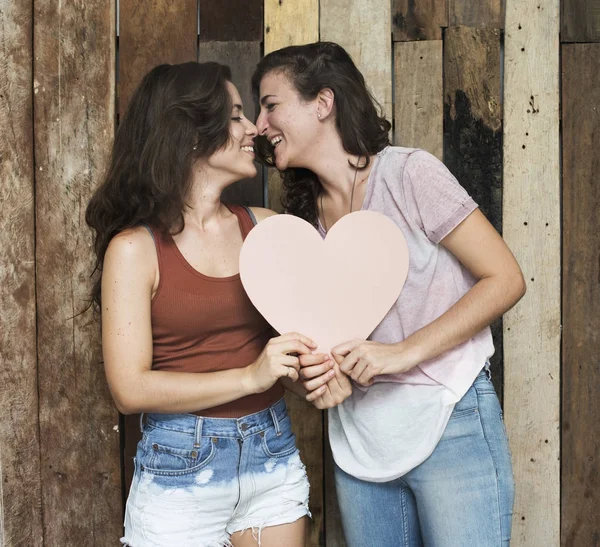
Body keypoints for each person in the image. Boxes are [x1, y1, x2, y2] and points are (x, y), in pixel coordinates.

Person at [251, 42, 526, 547]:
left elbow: (505, 278)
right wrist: (315, 382)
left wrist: (401, 353)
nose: (258, 125)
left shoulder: (409, 174)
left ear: (323, 102)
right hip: (360, 446)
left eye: (270, 105)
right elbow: (304, 357)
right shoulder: (301, 225)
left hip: (451, 423)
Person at [85, 61, 334, 547]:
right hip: (181, 467)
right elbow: (129, 389)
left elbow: (296, 355)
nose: (251, 130)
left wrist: (315, 376)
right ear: (192, 136)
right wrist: (249, 377)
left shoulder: (265, 228)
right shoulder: (135, 249)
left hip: (271, 453)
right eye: (236, 114)